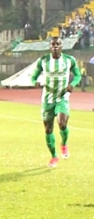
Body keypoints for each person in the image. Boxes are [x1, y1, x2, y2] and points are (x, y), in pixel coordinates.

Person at [30, 37, 81, 168]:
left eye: (58, 44)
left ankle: (64, 143)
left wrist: (73, 84)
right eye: (53, 45)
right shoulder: (43, 60)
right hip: (47, 99)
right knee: (48, 129)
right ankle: (53, 156)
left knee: (62, 123)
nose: (55, 47)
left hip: (62, 96)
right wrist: (34, 82)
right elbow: (33, 76)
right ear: (49, 47)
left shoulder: (69, 60)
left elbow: (77, 75)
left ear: (62, 46)